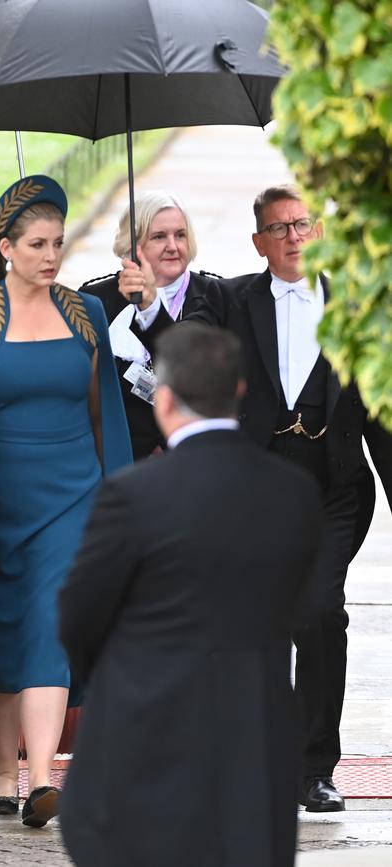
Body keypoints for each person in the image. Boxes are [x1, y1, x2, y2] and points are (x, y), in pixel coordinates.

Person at [131, 184, 392, 811]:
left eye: (303, 225)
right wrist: (147, 307)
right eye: (280, 229)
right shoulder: (230, 298)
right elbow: (186, 330)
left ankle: (313, 769)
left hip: (333, 488)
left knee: (320, 612)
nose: (295, 237)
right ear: (259, 242)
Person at [58, 323, 322, 867]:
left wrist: (124, 675)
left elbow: (78, 616)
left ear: (166, 399)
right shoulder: (292, 493)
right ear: (240, 393)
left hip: (148, 725)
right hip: (257, 729)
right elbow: (302, 601)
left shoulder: (133, 493)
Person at [0, 175, 132, 828]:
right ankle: (5, 770)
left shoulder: (85, 314)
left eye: (59, 243)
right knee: (4, 634)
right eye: (38, 244)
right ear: (5, 247)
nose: (51, 256)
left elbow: (109, 418)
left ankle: (42, 775)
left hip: (73, 497)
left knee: (51, 623)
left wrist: (121, 505)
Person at [80, 190, 217, 458]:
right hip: (119, 460)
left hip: (193, 460)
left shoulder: (215, 295)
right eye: (158, 237)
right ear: (132, 245)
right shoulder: (95, 300)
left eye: (180, 235)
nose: (173, 246)